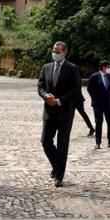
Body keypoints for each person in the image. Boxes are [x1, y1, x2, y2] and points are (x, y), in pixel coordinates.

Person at [37, 41, 81, 187]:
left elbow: (75, 90)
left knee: (63, 144)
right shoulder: (46, 67)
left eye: (58, 52)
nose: (54, 54)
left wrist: (59, 100)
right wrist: (45, 96)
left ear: (64, 53)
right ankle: (57, 166)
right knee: (46, 142)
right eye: (54, 51)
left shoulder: (72, 69)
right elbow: (40, 86)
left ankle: (59, 176)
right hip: (49, 111)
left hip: (65, 113)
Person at [87, 60, 110, 149]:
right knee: (99, 122)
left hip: (108, 103)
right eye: (108, 67)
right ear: (103, 67)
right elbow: (89, 89)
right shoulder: (94, 76)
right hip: (97, 104)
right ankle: (98, 142)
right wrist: (95, 98)